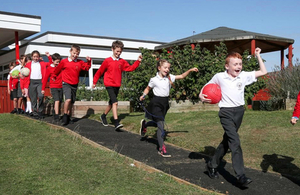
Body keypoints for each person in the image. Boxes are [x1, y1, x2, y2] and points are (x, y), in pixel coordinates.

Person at [199, 48, 267, 187]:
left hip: (239, 112)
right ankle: (240, 176)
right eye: (235, 64)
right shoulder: (219, 76)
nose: (238, 67)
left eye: (240, 64)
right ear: (227, 66)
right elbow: (206, 87)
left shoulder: (243, 76)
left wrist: (258, 55)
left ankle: (212, 165)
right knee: (235, 141)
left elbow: (263, 72)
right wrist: (201, 95)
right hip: (225, 112)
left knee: (227, 141)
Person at [139, 59, 198, 157]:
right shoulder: (154, 79)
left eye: (168, 68)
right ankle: (162, 148)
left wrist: (190, 70)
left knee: (158, 123)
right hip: (156, 103)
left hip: (165, 104)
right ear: (159, 68)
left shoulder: (170, 78)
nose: (167, 69)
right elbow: (148, 88)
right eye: (165, 67)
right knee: (161, 125)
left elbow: (182, 76)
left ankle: (145, 125)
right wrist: (143, 96)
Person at [92, 40, 142, 130]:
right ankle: (116, 122)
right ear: (112, 49)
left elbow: (130, 68)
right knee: (115, 102)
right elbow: (99, 72)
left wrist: (137, 62)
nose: (118, 53)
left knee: (111, 103)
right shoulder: (107, 61)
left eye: (120, 52)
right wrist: (94, 82)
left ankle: (103, 116)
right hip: (109, 84)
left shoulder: (122, 62)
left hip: (117, 85)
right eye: (117, 51)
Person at [53, 44, 91, 126]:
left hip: (75, 83)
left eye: (77, 54)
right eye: (74, 53)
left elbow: (87, 68)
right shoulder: (64, 61)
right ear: (70, 52)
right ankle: (65, 116)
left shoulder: (80, 62)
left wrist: (89, 61)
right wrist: (54, 76)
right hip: (66, 83)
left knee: (72, 102)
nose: (75, 55)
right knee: (68, 100)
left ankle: (69, 116)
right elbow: (57, 69)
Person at [25, 51, 52, 119]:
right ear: (32, 57)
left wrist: (48, 56)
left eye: (37, 56)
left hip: (40, 81)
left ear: (39, 57)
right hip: (31, 81)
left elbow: (51, 63)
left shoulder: (42, 63)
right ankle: (34, 111)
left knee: (41, 96)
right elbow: (24, 73)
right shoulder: (28, 64)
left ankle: (40, 111)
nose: (35, 58)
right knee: (33, 97)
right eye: (34, 56)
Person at [42, 53, 62, 122]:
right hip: (53, 86)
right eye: (57, 62)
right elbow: (45, 79)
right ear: (53, 61)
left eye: (59, 62)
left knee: (60, 100)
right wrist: (43, 89)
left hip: (61, 86)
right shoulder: (49, 69)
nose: (58, 63)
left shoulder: (60, 67)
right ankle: (57, 115)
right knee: (57, 100)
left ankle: (55, 111)